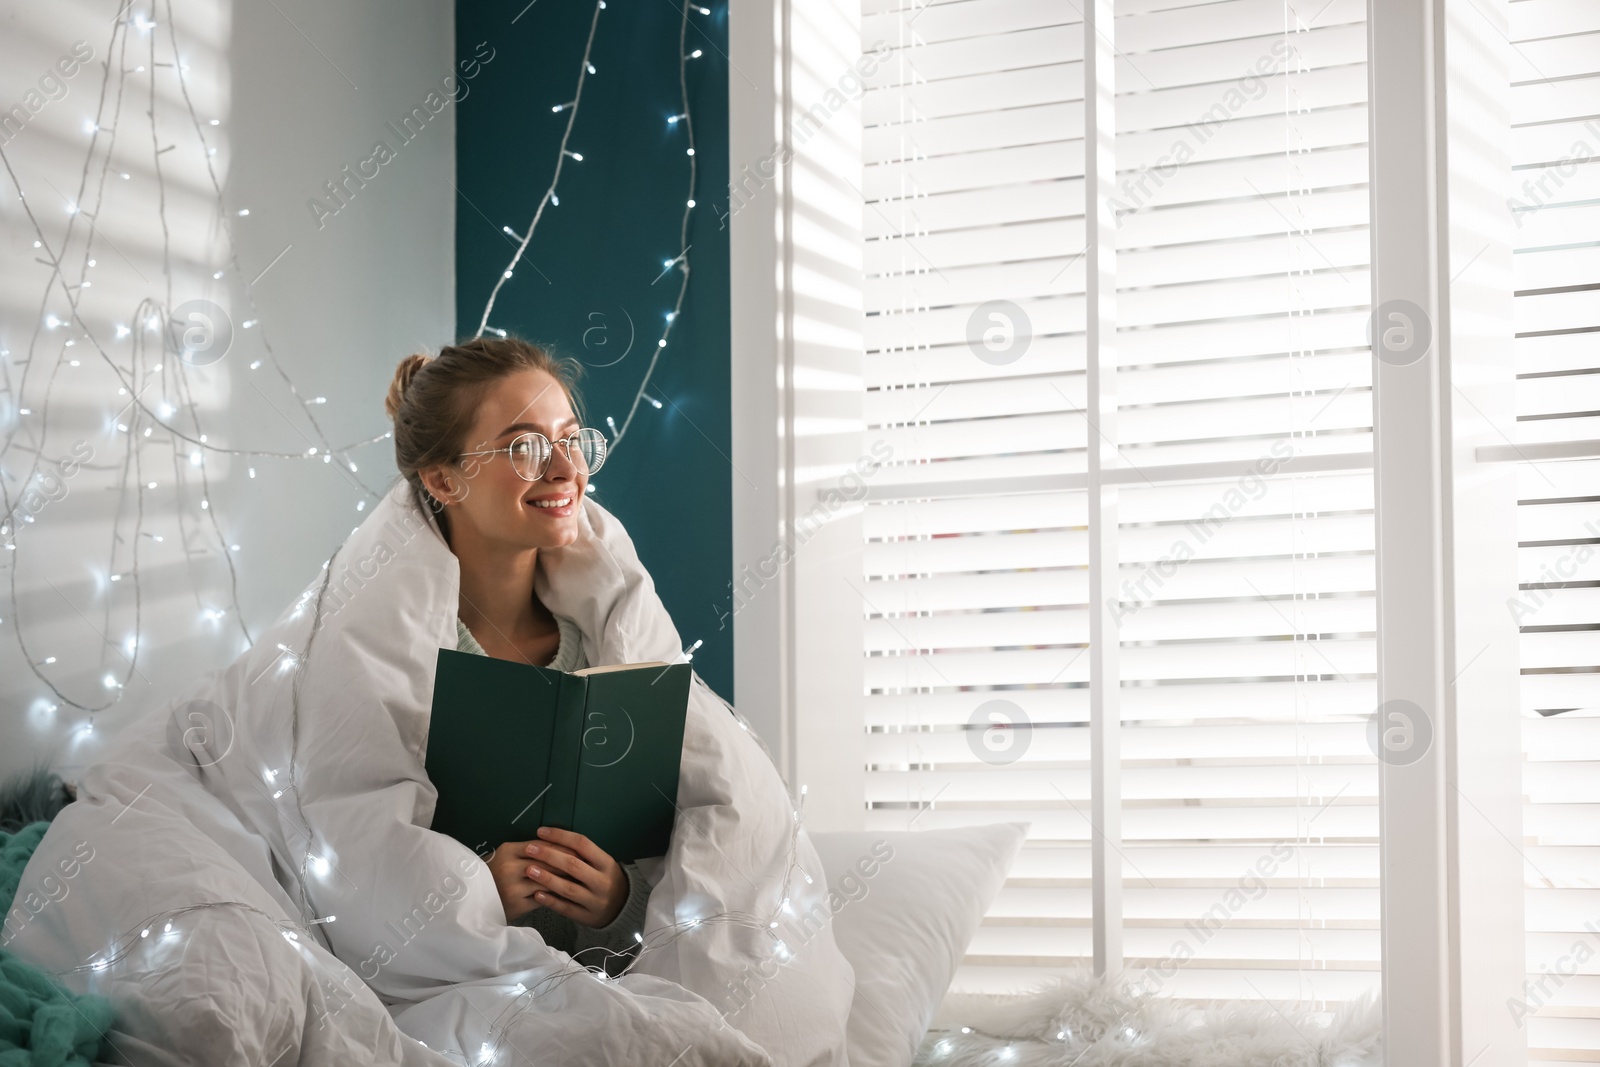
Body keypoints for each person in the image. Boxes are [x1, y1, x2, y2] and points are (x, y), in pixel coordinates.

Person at [383, 335, 649, 975]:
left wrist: (620, 897)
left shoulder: (605, 645)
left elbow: (678, 853)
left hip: (596, 989)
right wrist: (472, 893)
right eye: (526, 446)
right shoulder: (400, 657)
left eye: (572, 440)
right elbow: (352, 868)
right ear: (444, 478)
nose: (565, 470)